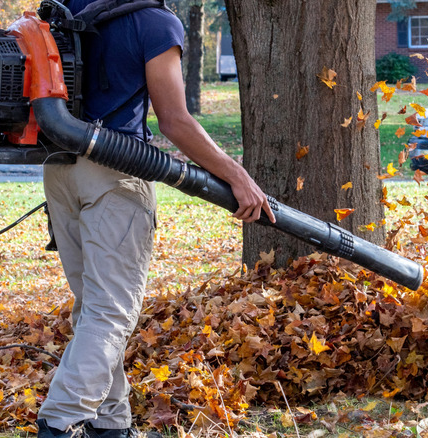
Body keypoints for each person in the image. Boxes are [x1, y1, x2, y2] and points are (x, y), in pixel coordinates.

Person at [36, 1, 276, 436]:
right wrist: (237, 175)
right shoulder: (155, 22)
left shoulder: (69, 6)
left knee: (94, 307)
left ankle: (110, 425)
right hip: (114, 172)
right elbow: (175, 121)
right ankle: (60, 419)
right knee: (112, 313)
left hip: (59, 169)